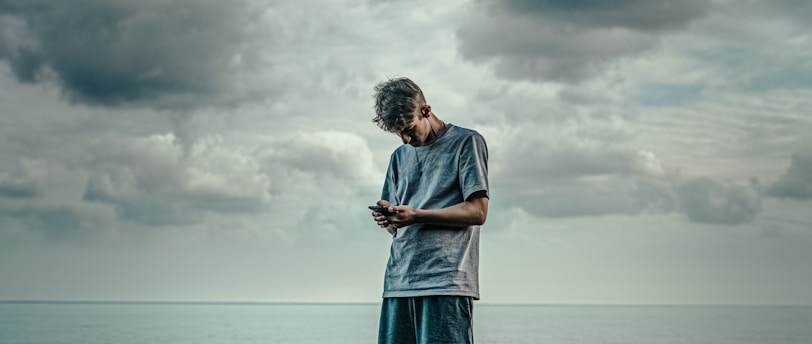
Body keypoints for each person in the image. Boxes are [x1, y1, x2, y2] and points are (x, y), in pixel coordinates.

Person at [370, 77, 489, 344]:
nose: (405, 139)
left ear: (426, 111)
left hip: (445, 282)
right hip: (398, 282)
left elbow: (478, 212)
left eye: (409, 129)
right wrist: (388, 218)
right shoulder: (399, 156)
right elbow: (395, 228)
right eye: (397, 133)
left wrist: (418, 215)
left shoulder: (466, 143)